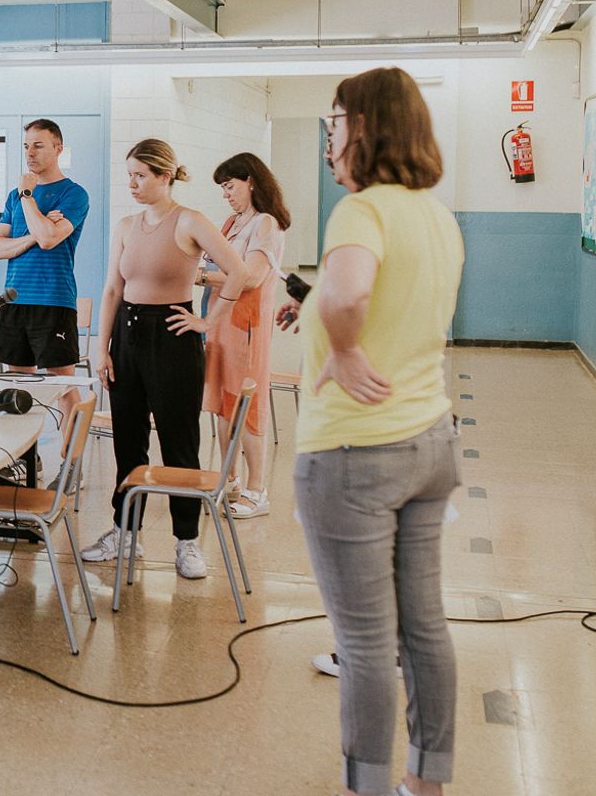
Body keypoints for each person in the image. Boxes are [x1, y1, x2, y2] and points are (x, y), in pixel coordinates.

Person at [294, 67, 464, 796]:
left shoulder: (361, 211)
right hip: (430, 442)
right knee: (424, 628)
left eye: (334, 122)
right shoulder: (438, 216)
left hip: (355, 453)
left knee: (364, 643)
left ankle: (364, 786)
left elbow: (348, 293)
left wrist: (344, 347)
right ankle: (426, 782)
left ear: (362, 128)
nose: (328, 138)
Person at [84, 140, 248, 577]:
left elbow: (239, 272)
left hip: (173, 336)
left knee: (179, 443)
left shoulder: (190, 220)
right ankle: (125, 532)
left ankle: (187, 541)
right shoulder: (126, 226)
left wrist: (208, 321)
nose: (132, 184)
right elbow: (112, 290)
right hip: (127, 335)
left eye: (141, 175)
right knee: (128, 442)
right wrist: (102, 348)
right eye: (129, 175)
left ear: (165, 176)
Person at [200, 152, 291, 519]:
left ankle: (257, 489)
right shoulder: (232, 223)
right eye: (223, 189)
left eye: (230, 186)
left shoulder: (265, 224)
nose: (226, 195)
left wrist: (200, 277)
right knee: (224, 404)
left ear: (251, 182)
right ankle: (230, 479)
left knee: (247, 406)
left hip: (245, 325)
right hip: (219, 323)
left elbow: (251, 277)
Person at [0, 118, 89, 386]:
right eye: (26, 146)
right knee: (18, 388)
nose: (30, 153)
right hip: (15, 300)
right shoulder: (13, 197)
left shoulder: (73, 194)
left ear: (58, 149)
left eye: (38, 146)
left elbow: (48, 240)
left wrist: (28, 196)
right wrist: (35, 233)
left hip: (53, 301)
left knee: (62, 388)